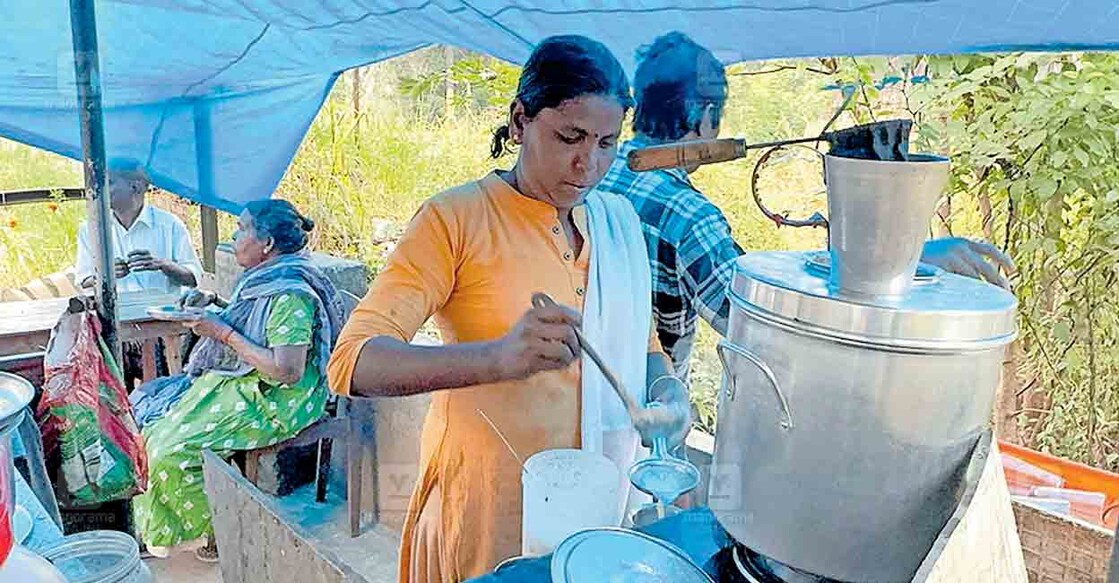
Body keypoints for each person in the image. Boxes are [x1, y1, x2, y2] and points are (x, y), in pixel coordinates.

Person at [327, 35, 691, 582]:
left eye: (607, 143)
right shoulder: (456, 219)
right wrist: (497, 359)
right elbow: (352, 363)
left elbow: (643, 348)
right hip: (486, 506)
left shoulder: (617, 224)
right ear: (520, 121)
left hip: (595, 502)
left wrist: (666, 391)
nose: (588, 164)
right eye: (570, 136)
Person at [593, 31, 1015, 380]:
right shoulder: (688, 216)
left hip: (584, 390)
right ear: (705, 117)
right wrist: (909, 261)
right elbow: (761, 324)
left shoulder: (592, 170)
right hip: (650, 418)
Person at [132, 199, 345, 563]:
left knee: (171, 449)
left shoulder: (291, 294)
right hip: (252, 382)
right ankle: (192, 526)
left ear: (267, 245)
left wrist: (222, 332)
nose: (234, 236)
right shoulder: (268, 277)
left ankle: (217, 535)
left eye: (243, 229)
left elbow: (287, 370)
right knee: (151, 423)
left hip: (282, 399)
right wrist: (212, 305)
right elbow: (254, 321)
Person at [75, 164, 202, 294]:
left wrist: (163, 265)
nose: (100, 189)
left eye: (109, 183)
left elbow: (194, 278)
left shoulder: (170, 225)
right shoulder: (91, 229)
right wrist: (105, 275)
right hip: (113, 312)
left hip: (162, 312)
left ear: (136, 187)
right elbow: (84, 281)